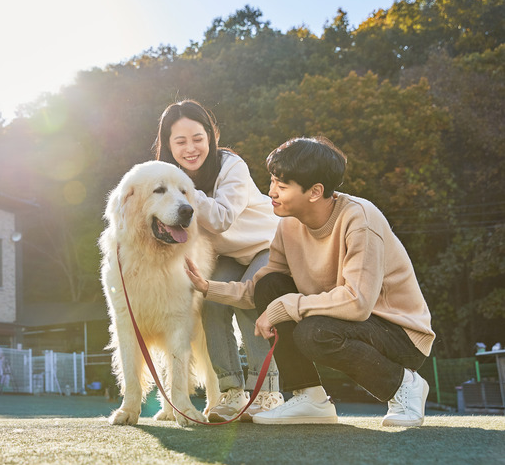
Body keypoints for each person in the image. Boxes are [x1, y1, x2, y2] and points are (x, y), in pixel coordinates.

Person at [186, 136, 435, 426]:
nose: (271, 192)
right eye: (272, 182)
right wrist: (207, 287)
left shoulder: (360, 219)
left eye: (282, 185)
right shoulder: (287, 226)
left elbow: (358, 302)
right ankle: (310, 397)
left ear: (315, 191)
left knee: (313, 333)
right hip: (343, 320)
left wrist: (289, 305)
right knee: (271, 286)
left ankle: (404, 385)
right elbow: (261, 290)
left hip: (399, 333)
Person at [154, 99, 284, 422]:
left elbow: (223, 218)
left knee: (249, 296)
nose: (191, 148)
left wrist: (185, 191)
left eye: (198, 138)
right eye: (180, 141)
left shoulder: (231, 165)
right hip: (227, 255)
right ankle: (231, 392)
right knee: (211, 302)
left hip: (266, 245)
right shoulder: (165, 179)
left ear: (210, 136)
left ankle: (267, 391)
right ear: (168, 145)